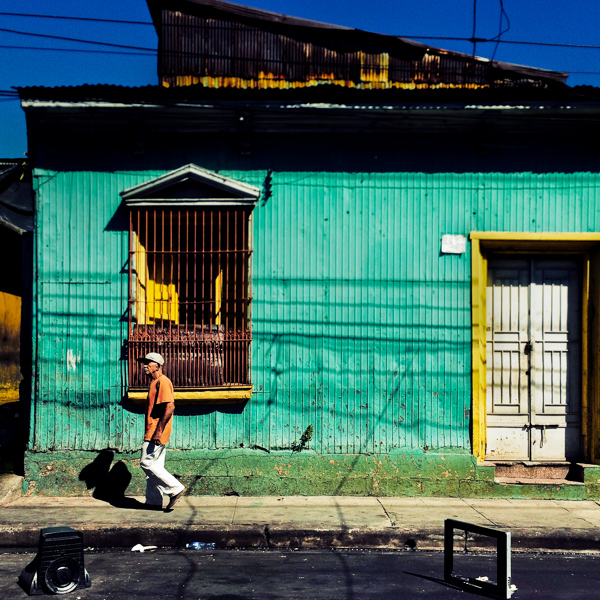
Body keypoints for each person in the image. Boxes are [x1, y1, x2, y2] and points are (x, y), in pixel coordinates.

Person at [137, 352, 185, 510]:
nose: (144, 365)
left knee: (146, 463)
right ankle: (153, 501)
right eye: (144, 363)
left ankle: (175, 488)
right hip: (153, 430)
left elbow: (170, 407)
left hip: (156, 432)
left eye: (148, 363)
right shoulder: (154, 382)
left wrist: (158, 431)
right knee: (154, 468)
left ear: (158, 366)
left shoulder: (163, 381)